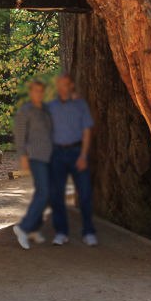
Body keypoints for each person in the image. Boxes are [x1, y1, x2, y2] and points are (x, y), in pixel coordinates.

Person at [47, 72, 97, 246]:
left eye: (66, 84)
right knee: (56, 195)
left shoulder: (80, 105)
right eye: (60, 84)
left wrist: (83, 154)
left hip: (76, 152)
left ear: (71, 86)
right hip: (57, 154)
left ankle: (89, 231)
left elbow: (86, 131)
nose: (63, 88)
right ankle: (61, 232)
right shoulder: (51, 107)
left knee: (84, 194)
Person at [11, 79, 53, 249]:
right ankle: (23, 228)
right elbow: (20, 136)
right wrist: (23, 157)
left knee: (48, 194)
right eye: (36, 91)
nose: (39, 94)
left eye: (41, 91)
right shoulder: (25, 112)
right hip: (35, 156)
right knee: (43, 192)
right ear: (31, 92)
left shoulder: (46, 110)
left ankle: (34, 228)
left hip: (50, 156)